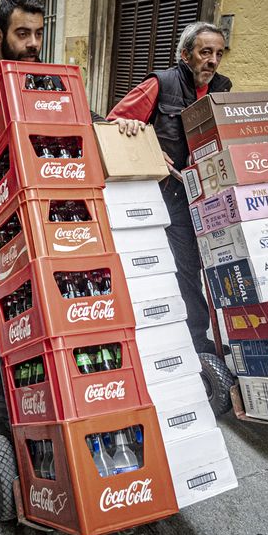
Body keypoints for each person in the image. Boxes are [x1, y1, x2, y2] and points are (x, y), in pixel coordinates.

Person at [0, 0, 136, 427]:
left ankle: (38, 377)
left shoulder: (46, 76)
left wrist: (115, 124)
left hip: (42, 214)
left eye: (39, 33)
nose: (33, 43)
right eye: (23, 34)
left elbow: (79, 118)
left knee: (39, 296)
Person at [107, 22, 231, 358]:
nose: (213, 60)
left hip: (202, 194)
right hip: (162, 193)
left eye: (219, 53)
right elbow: (111, 124)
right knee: (163, 265)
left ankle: (195, 340)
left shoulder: (223, 89)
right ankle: (158, 337)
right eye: (205, 52)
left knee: (191, 267)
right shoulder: (160, 83)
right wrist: (147, 145)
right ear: (185, 54)